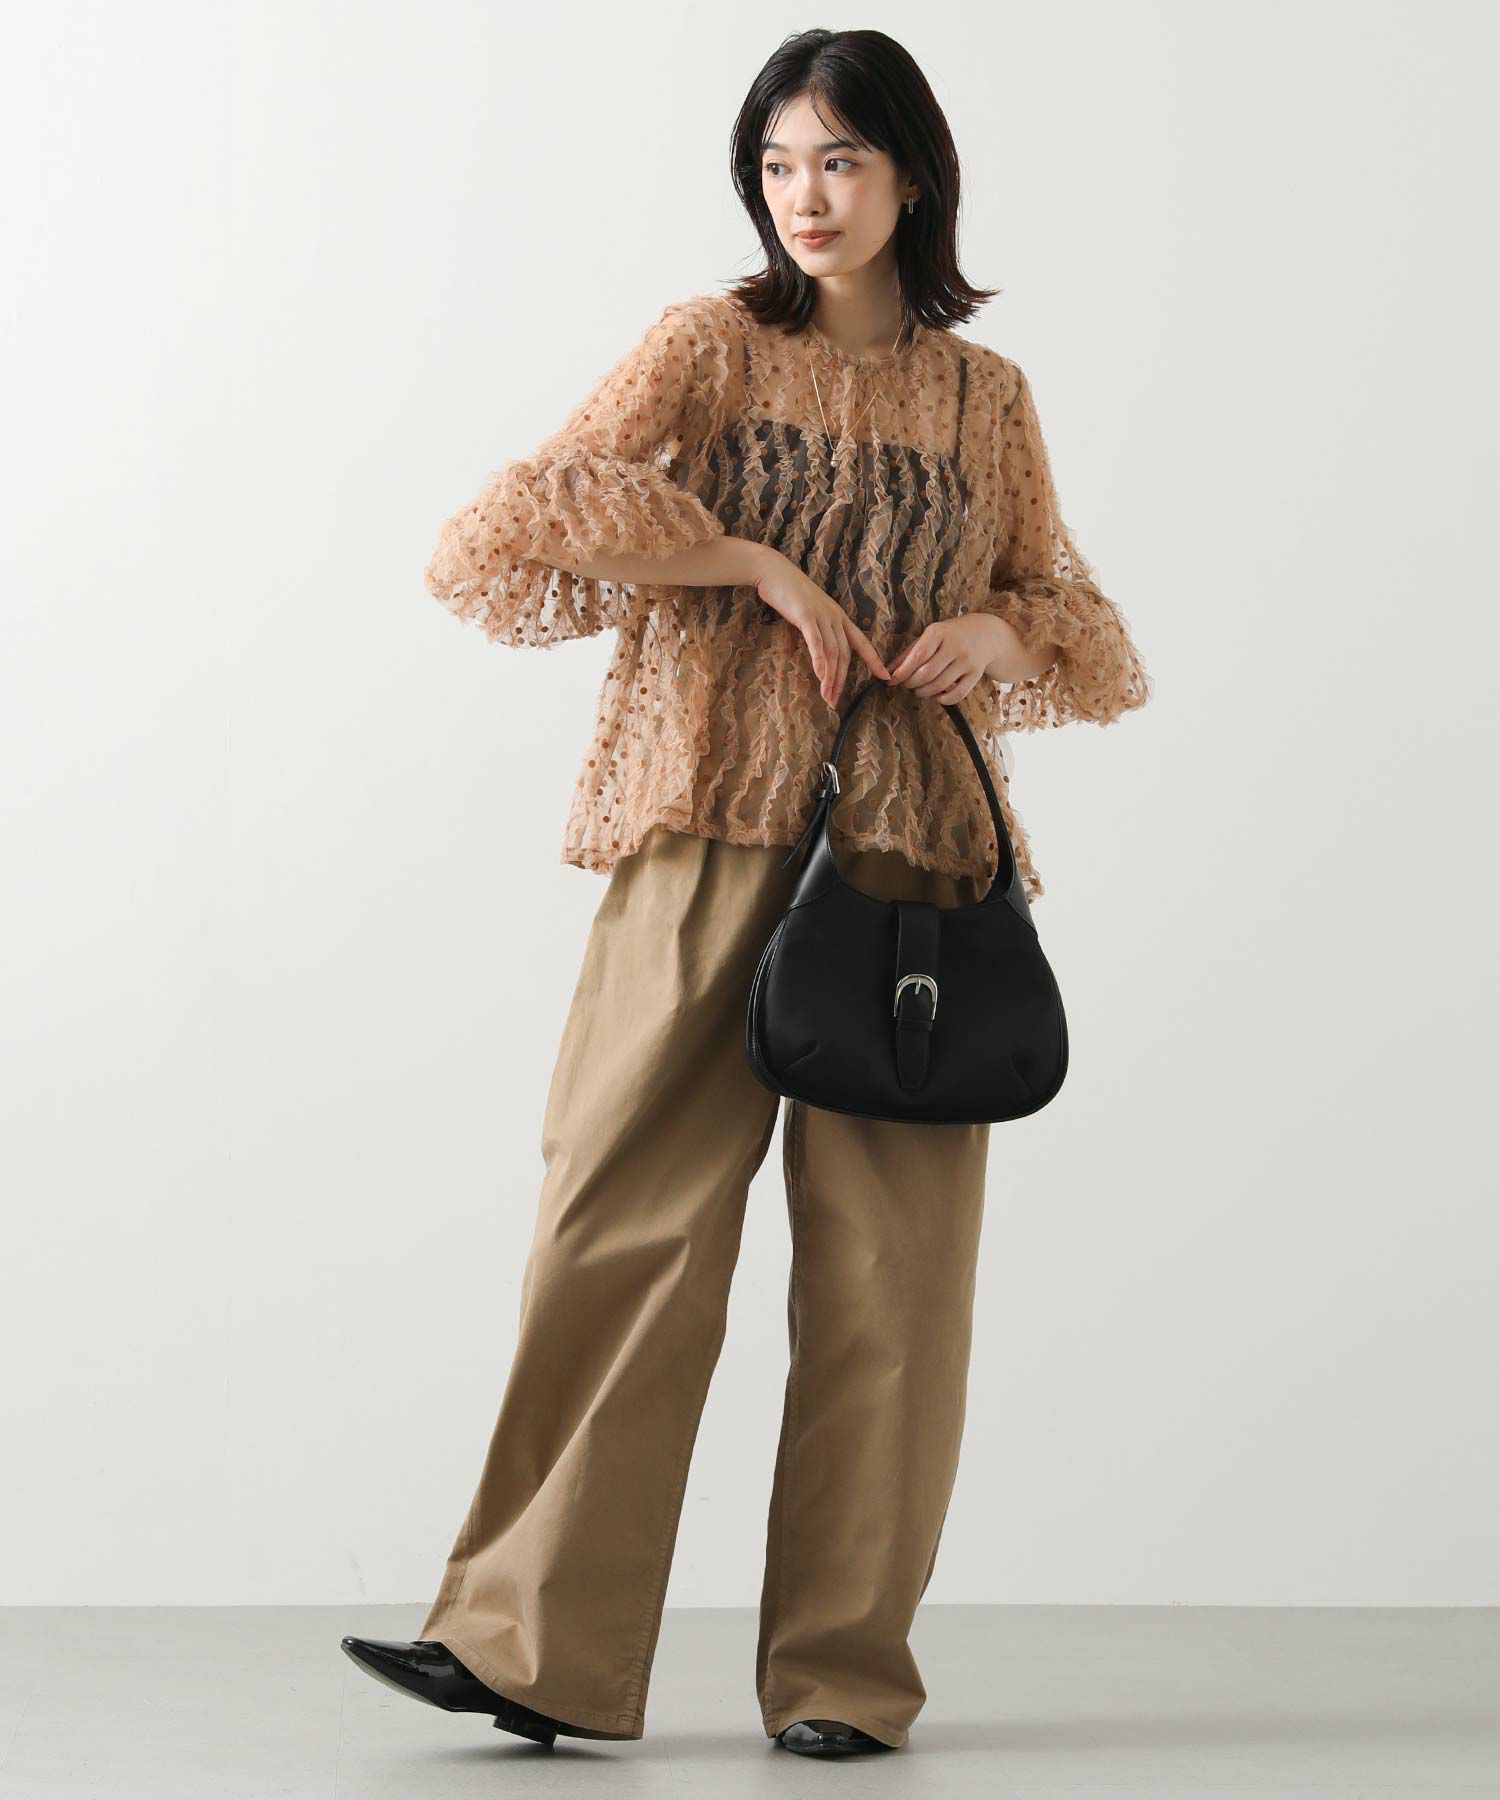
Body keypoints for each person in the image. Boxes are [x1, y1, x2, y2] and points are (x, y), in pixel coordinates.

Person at [342, 26, 1151, 1761]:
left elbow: (1081, 628)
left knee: (891, 1280)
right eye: (780, 164)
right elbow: (505, 529)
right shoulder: (708, 348)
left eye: (841, 161)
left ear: (913, 176)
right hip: (703, 820)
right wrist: (750, 560)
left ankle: (844, 1677)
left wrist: (991, 634)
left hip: (913, 861)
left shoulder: (984, 399)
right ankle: (530, 1645)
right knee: (618, 1211)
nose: (808, 196)